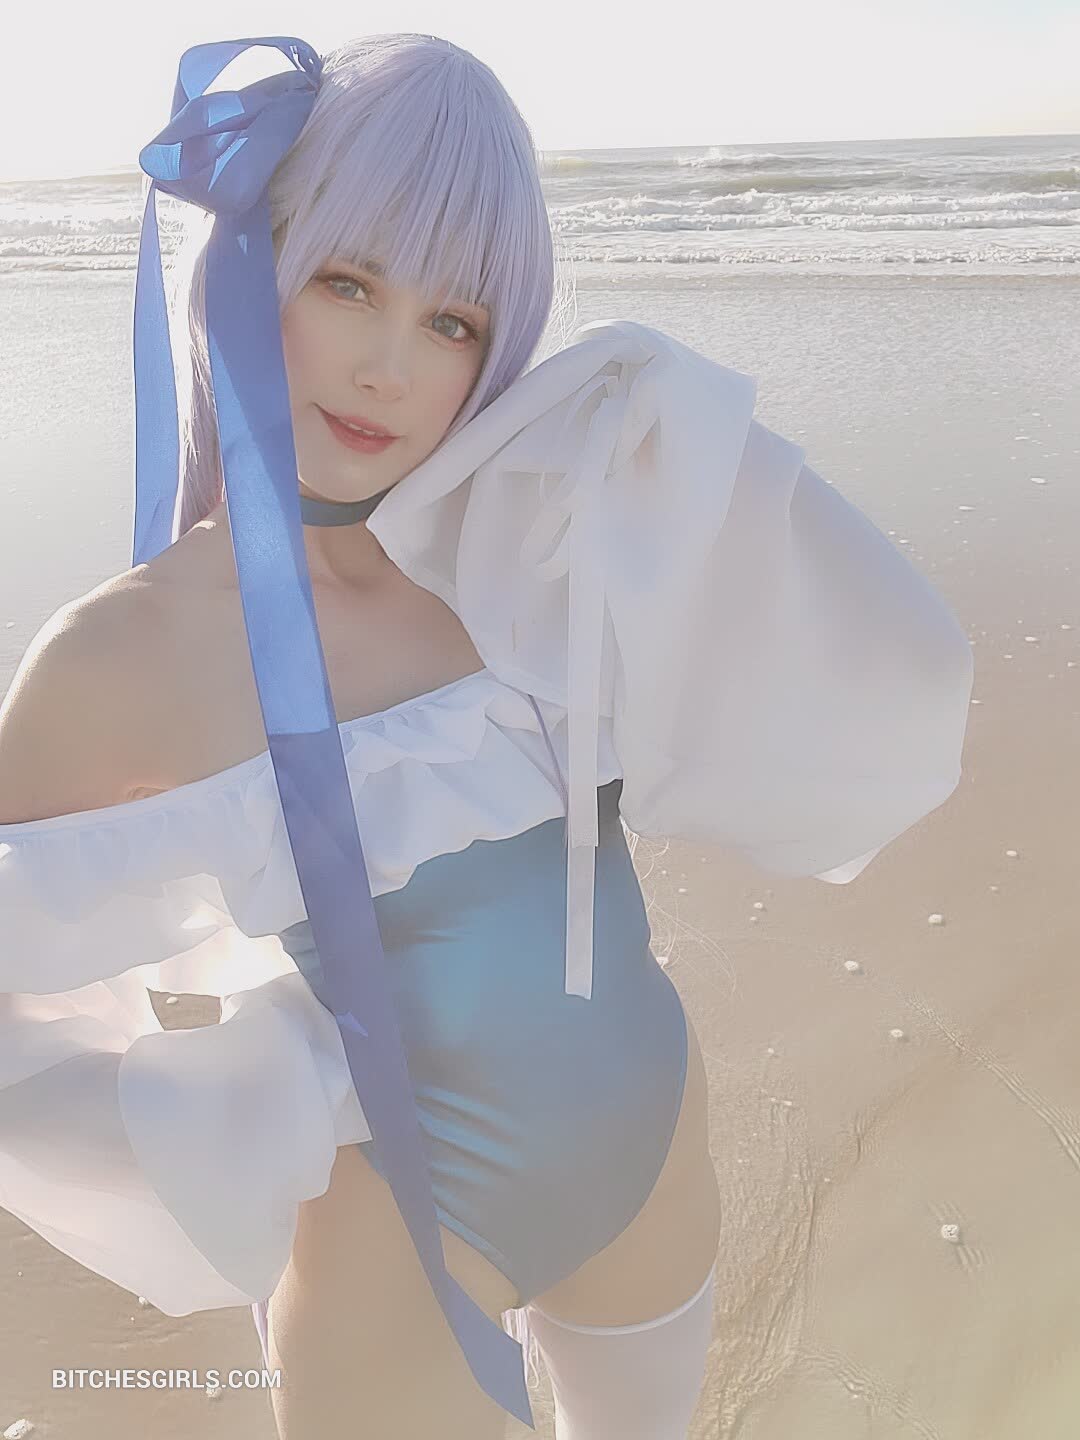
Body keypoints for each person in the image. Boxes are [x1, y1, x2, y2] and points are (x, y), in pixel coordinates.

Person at [0, 32, 975, 1440]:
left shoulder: (516, 537)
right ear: (249, 262)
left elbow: (840, 660)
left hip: (657, 1152)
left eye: (454, 321)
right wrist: (259, 1103)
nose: (390, 368)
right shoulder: (126, 655)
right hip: (411, 1242)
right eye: (348, 283)